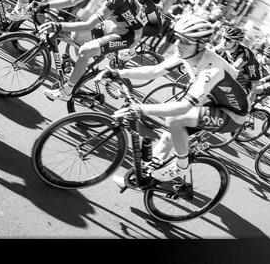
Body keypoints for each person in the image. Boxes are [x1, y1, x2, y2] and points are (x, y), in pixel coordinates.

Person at [105, 14, 249, 182]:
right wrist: (117, 73)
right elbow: (155, 71)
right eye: (178, 38)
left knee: (175, 119)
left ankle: (182, 166)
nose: (178, 44)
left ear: (201, 45)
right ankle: (143, 178)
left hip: (232, 114)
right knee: (168, 135)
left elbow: (183, 107)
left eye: (185, 41)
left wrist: (140, 109)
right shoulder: (186, 53)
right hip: (212, 102)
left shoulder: (212, 68)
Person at [35, 0, 146, 101]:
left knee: (86, 50)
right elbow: (73, 0)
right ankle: (82, 69)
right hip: (113, 25)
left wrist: (58, 26)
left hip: (130, 35)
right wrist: (46, 5)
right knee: (76, 35)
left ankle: (67, 91)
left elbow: (89, 24)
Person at [212, 25, 262, 106]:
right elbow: (210, 54)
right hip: (238, 72)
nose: (224, 41)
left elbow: (232, 71)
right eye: (223, 37)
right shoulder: (225, 45)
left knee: (250, 88)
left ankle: (245, 109)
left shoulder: (243, 54)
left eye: (228, 40)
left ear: (237, 42)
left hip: (249, 79)